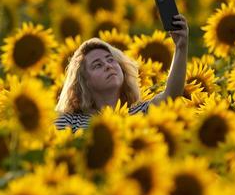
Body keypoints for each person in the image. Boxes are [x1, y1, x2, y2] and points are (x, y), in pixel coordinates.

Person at [54, 14, 189, 132]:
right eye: (97, 65)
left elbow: (172, 95)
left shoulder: (141, 111)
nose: (108, 66)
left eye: (110, 60)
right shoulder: (70, 121)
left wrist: (180, 47)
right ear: (84, 81)